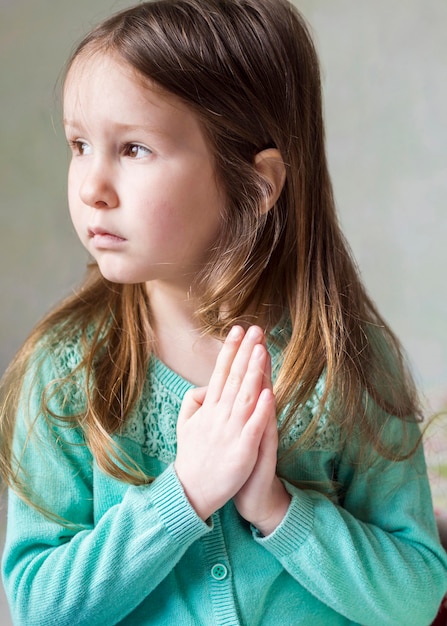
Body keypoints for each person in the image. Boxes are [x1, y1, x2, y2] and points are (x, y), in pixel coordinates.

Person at [1, 0, 446, 624]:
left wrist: (279, 509)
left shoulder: (349, 361)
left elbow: (416, 598)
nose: (90, 187)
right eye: (80, 144)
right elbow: (39, 607)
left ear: (255, 184)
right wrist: (182, 495)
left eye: (133, 149)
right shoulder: (65, 372)